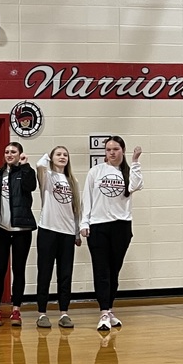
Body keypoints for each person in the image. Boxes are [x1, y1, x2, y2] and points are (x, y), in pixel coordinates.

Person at [81, 136, 143, 332]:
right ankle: (103, 312)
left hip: (121, 226)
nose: (112, 152)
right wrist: (84, 222)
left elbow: (136, 185)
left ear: (122, 151)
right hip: (98, 226)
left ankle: (110, 308)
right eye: (108, 149)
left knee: (114, 271)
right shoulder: (95, 172)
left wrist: (135, 162)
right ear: (105, 152)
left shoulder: (127, 171)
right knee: (101, 270)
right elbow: (87, 198)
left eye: (116, 149)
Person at [0, 142, 37, 327]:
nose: (9, 154)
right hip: (1, 230)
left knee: (19, 269)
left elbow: (31, 186)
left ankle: (16, 310)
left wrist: (25, 166)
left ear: (20, 154)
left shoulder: (25, 172)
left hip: (21, 230)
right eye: (7, 151)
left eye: (13, 152)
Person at [35, 146, 82, 329]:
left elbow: (77, 209)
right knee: (44, 273)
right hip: (48, 230)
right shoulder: (47, 176)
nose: (62, 157)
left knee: (65, 275)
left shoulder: (72, 180)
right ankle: (42, 314)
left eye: (65, 155)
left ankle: (64, 313)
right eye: (58, 154)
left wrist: (77, 233)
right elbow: (39, 164)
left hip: (68, 233)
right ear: (52, 158)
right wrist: (48, 156)